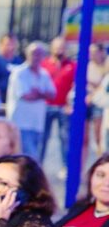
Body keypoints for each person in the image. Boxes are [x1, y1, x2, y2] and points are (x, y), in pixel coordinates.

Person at [7, 42, 57, 160]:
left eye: (40, 54)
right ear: (27, 54)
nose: (36, 57)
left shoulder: (44, 74)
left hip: (37, 123)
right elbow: (26, 95)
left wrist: (38, 92)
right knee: (30, 156)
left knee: (31, 156)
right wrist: (43, 94)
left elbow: (53, 94)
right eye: (34, 53)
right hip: (21, 122)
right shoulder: (19, 73)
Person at [40, 36, 76, 168]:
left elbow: (76, 86)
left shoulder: (72, 66)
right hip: (46, 106)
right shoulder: (44, 64)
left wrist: (70, 103)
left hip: (63, 107)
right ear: (51, 48)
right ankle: (39, 164)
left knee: (65, 138)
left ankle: (65, 167)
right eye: (56, 47)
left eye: (61, 48)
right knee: (43, 137)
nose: (59, 50)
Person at [0, 32, 23, 103]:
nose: (11, 47)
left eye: (13, 44)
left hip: (15, 101)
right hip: (0, 101)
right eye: (8, 44)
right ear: (1, 45)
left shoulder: (19, 61)